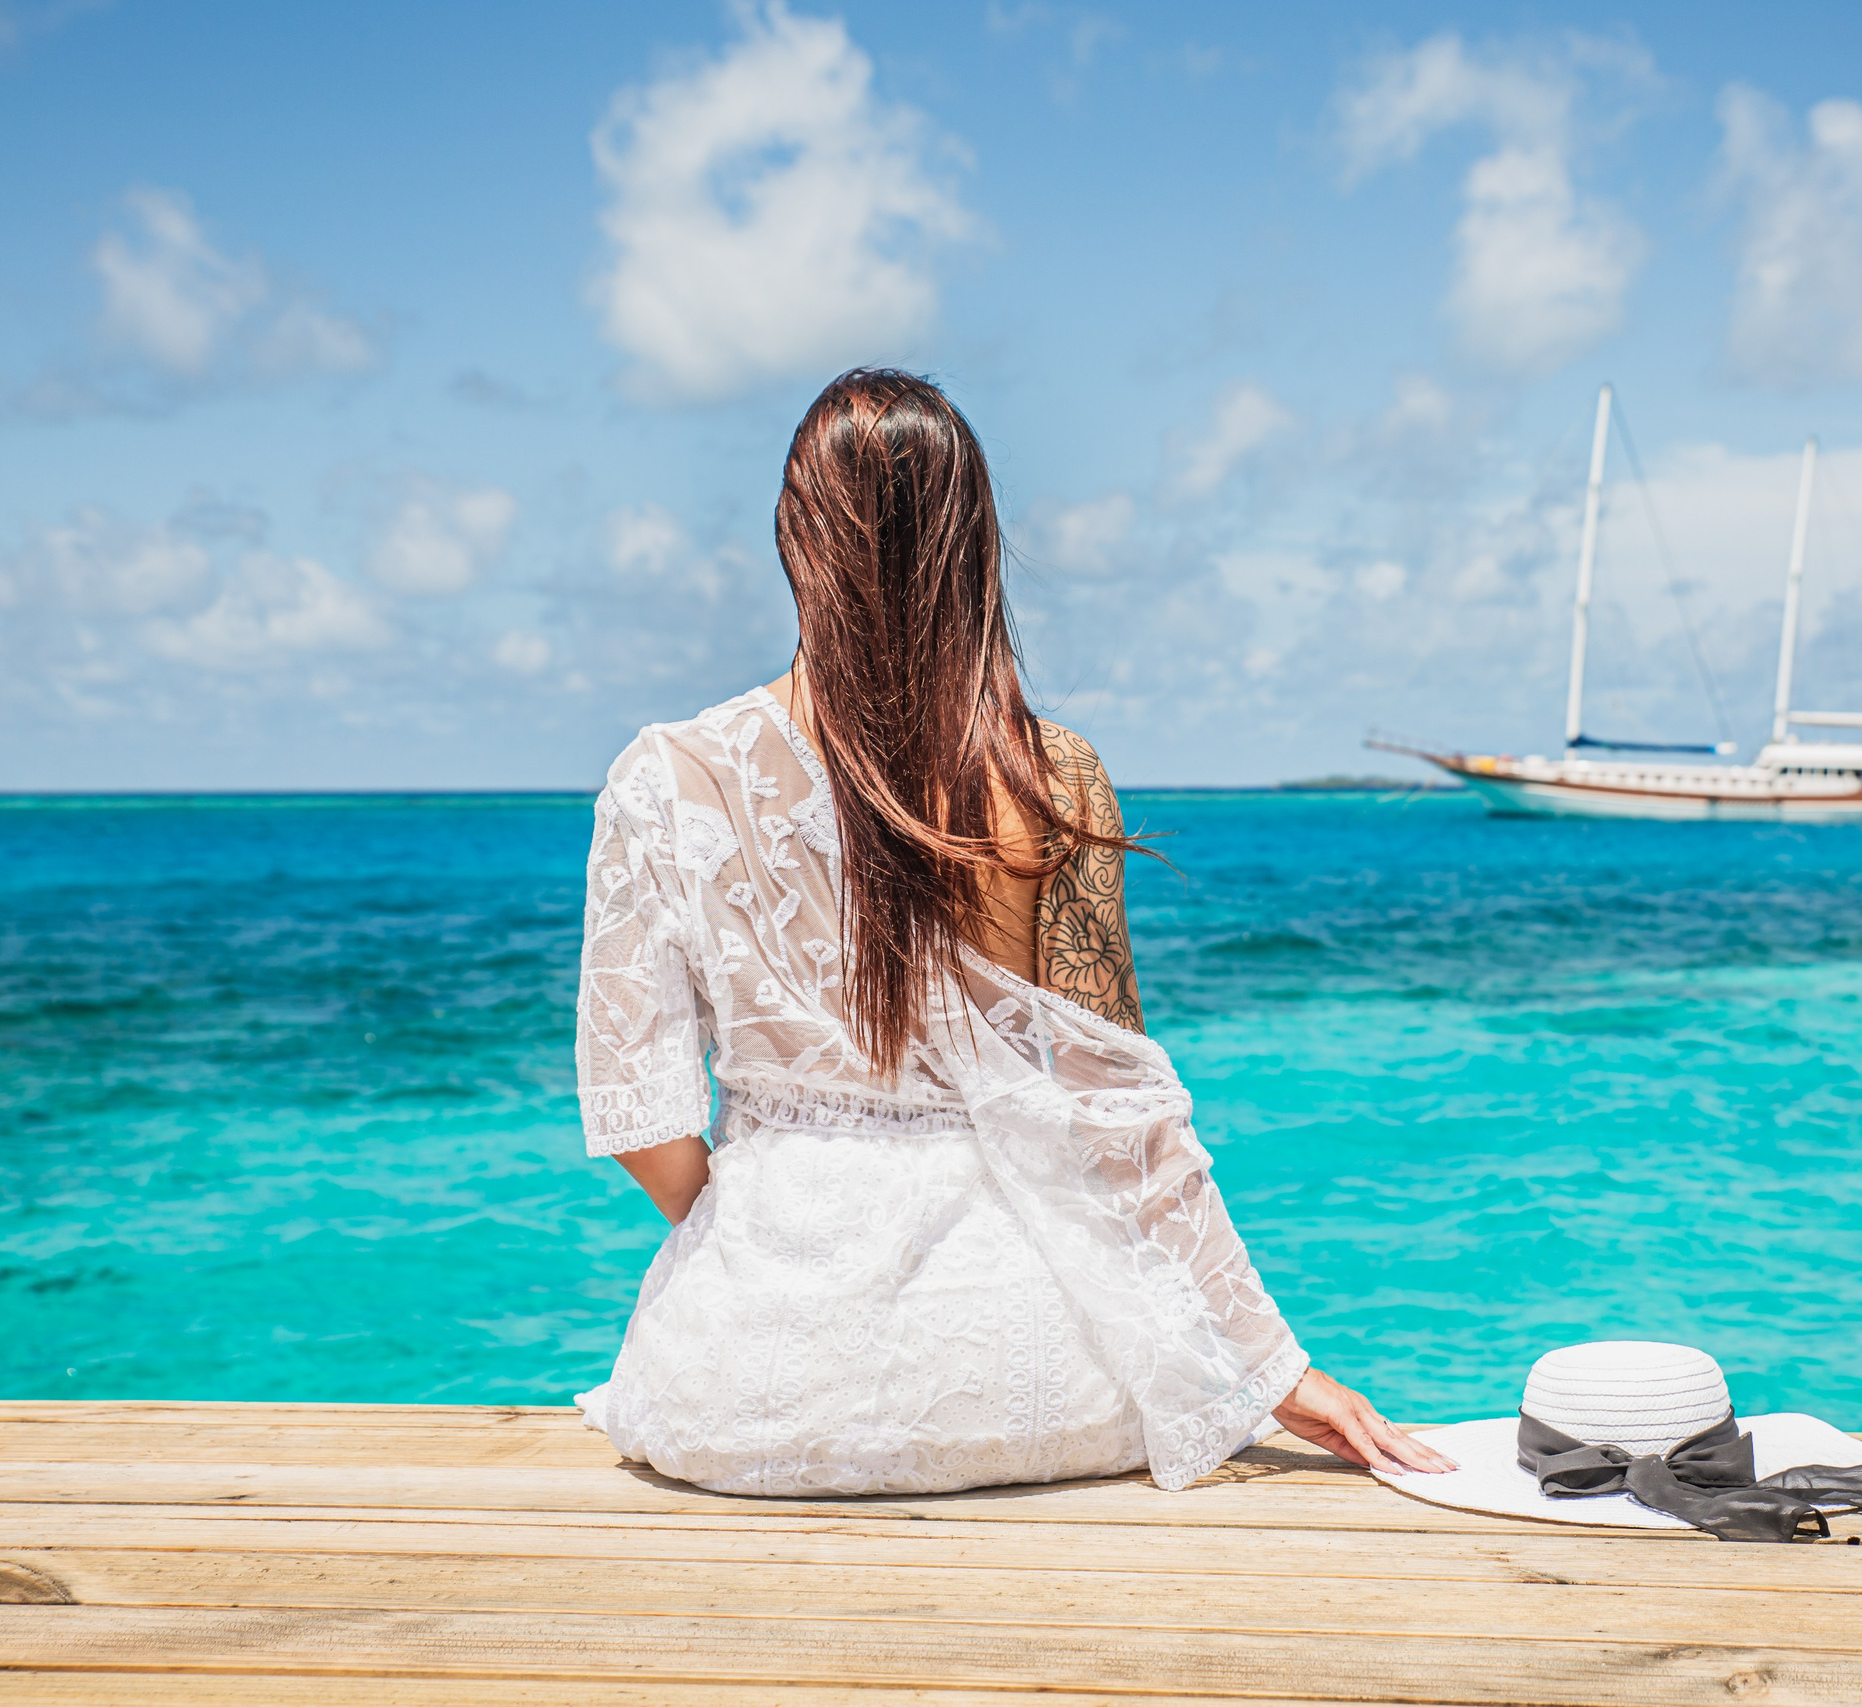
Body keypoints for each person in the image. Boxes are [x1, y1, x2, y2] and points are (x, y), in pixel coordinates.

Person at [573, 368, 1451, 1497]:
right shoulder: (1052, 777)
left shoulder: (664, 779)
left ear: (793, 537)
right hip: (1046, 1389)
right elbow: (1122, 1126)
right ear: (975, 544)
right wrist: (1277, 1371)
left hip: (749, 1396)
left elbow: (643, 1121)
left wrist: (768, 1236)